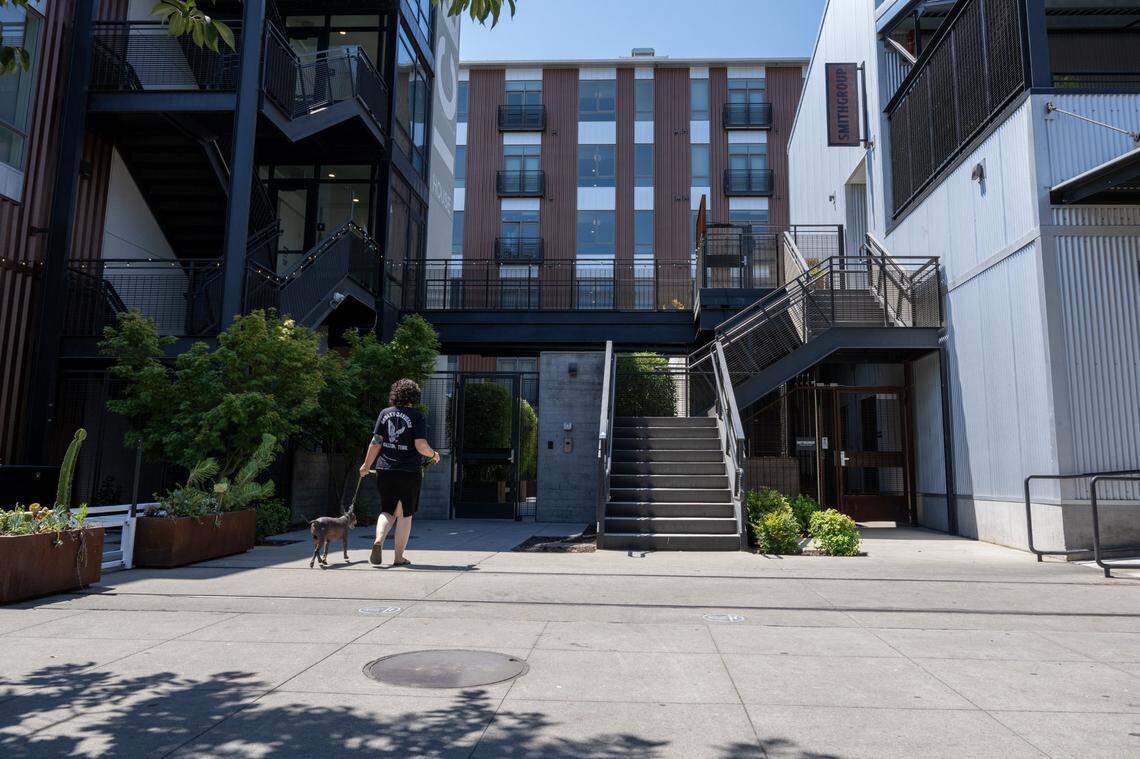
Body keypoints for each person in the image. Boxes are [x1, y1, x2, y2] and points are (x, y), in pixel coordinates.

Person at [359, 379, 440, 567]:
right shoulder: (417, 416)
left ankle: (378, 539)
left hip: (384, 469)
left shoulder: (384, 413)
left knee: (387, 510)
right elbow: (420, 445)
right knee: (405, 514)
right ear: (414, 396)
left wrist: (365, 465)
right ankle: (398, 557)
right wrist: (434, 454)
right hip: (409, 471)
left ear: (395, 394)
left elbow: (376, 442)